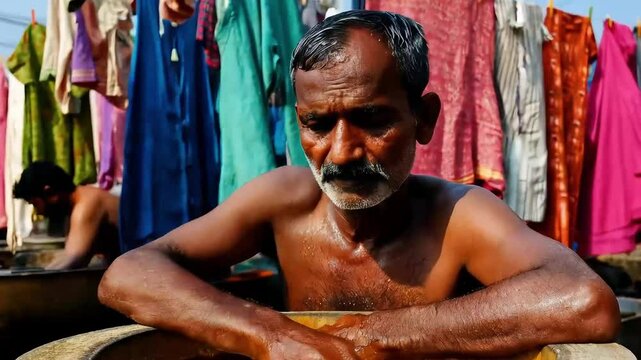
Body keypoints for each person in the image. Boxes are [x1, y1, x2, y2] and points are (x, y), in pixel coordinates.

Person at [98, 10, 619, 359]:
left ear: (425, 118)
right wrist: (274, 337)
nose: (342, 152)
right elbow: (129, 274)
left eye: (372, 119)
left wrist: (371, 339)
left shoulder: (460, 216)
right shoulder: (284, 199)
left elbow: (585, 302)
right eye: (317, 125)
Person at [13, 161, 120, 270]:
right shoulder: (74, 209)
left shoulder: (87, 205)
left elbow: (72, 259)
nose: (38, 212)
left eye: (35, 204)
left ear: (49, 192)